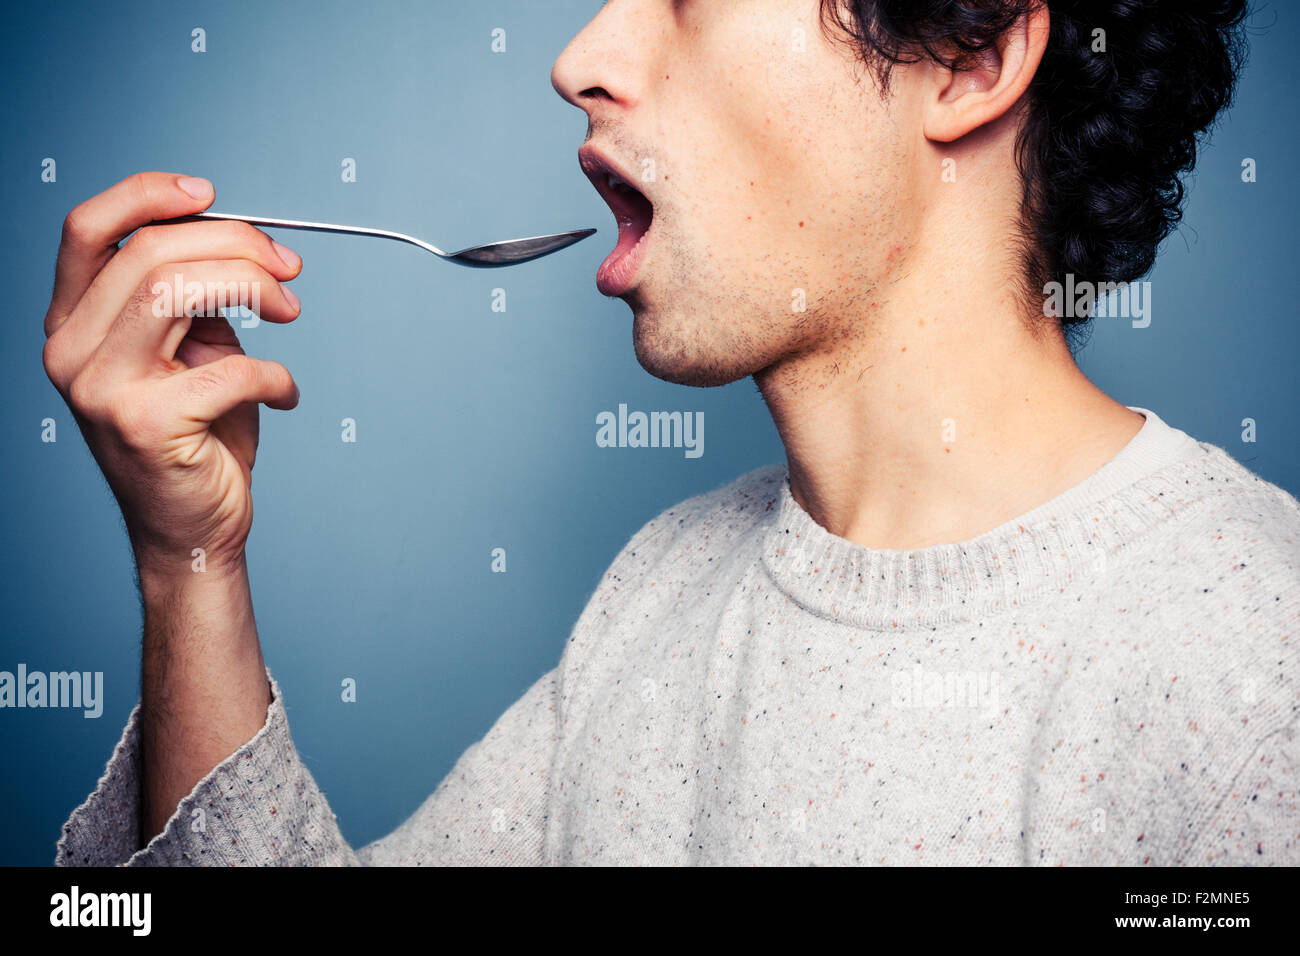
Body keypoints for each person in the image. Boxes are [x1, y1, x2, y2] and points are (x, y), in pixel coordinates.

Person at [51, 0, 1296, 866]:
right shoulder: (663, 584)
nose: (578, 55)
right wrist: (190, 564)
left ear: (970, 59)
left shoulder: (1250, 673)